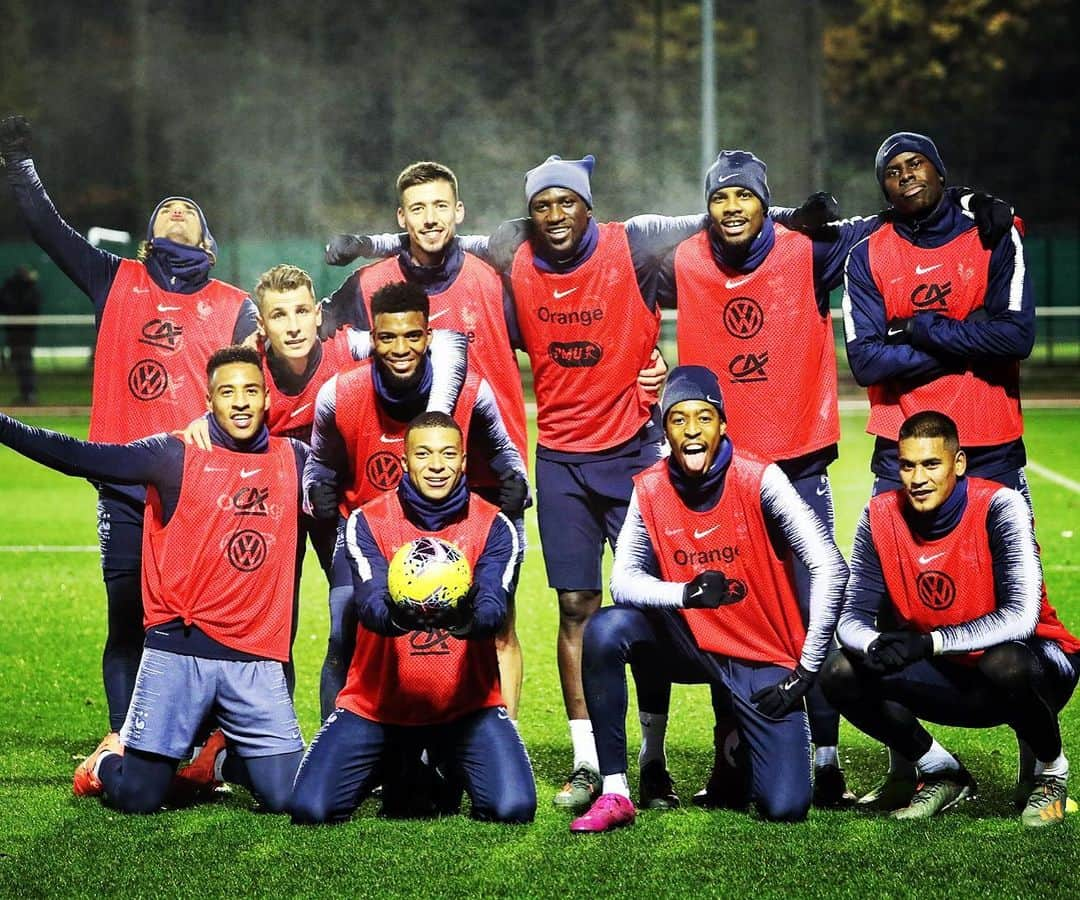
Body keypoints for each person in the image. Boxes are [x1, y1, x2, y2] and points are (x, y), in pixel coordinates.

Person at [0, 114, 257, 752]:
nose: (173, 213)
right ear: (146, 238)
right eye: (164, 210)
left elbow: (262, 389)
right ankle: (126, 741)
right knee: (128, 622)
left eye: (187, 212)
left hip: (201, 494)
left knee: (197, 625)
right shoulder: (114, 280)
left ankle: (201, 745)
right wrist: (19, 165)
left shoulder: (233, 305)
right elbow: (47, 229)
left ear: (209, 239)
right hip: (121, 487)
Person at [0, 346, 307, 813]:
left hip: (254, 659)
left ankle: (217, 763)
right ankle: (105, 762)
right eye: (228, 392)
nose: (241, 402)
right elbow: (78, 456)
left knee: (289, 797)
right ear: (209, 401)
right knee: (140, 797)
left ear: (268, 399)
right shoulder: (172, 454)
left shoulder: (297, 461)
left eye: (251, 391)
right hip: (178, 650)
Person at [841, 131, 1035, 804]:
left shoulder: (993, 229)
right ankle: (917, 765)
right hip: (902, 452)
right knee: (891, 611)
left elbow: (1016, 335)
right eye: (891, 171)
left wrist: (922, 331)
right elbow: (866, 360)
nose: (905, 176)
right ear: (884, 188)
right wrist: (964, 337)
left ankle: (1039, 768)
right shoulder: (868, 253)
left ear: (939, 171)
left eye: (915, 162)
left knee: (1018, 609)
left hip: (988, 445)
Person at [569, 366, 848, 832]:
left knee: (785, 806)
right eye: (678, 419)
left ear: (722, 424)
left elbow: (829, 566)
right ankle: (616, 790)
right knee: (606, 628)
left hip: (756, 649)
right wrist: (685, 593)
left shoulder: (761, 478)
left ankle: (738, 746)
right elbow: (623, 581)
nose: (692, 430)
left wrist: (804, 670)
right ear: (666, 430)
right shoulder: (651, 487)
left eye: (704, 417)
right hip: (688, 642)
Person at [322, 161, 529, 718]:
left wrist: (645, 368)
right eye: (418, 207)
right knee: (403, 618)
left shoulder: (492, 280)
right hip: (413, 477)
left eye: (441, 205)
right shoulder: (368, 285)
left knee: (496, 624)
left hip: (491, 476)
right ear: (401, 217)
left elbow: (557, 343)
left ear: (458, 212)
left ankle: (498, 745)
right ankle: (408, 740)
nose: (431, 217)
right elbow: (313, 348)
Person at [820, 411, 1079, 827]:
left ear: (957, 464)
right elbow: (851, 615)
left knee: (1006, 662)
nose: (917, 478)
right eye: (907, 465)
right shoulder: (879, 514)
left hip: (1037, 667)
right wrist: (873, 645)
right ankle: (942, 771)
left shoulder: (1000, 505)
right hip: (951, 673)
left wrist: (928, 643)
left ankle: (1050, 775)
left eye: (931, 464)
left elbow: (1022, 616)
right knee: (839, 671)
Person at [288, 411, 536, 826]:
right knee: (312, 810)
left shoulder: (495, 526)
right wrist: (412, 611)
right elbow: (371, 608)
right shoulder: (366, 521)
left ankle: (445, 762)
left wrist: (462, 619)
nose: (436, 465)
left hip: (467, 710)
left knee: (513, 809)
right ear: (404, 462)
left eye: (447, 454)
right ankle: (395, 762)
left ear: (462, 462)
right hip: (376, 709)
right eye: (423, 454)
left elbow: (494, 608)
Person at [0, 264, 41, 404]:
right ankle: (27, 394)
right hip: (17, 332)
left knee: (24, 364)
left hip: (23, 333)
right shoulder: (17, 289)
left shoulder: (27, 290)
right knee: (20, 363)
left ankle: (29, 394)